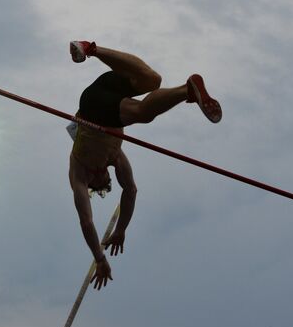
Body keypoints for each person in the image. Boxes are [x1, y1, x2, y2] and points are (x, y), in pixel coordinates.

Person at [68, 40, 222, 290]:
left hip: (92, 108)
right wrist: (121, 230)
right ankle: (187, 90)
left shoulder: (79, 174)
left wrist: (99, 258)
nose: (108, 183)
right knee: (152, 80)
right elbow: (131, 190)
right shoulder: (116, 158)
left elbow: (86, 222)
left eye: (104, 187)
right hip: (108, 100)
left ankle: (91, 49)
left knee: (142, 112)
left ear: (94, 185)